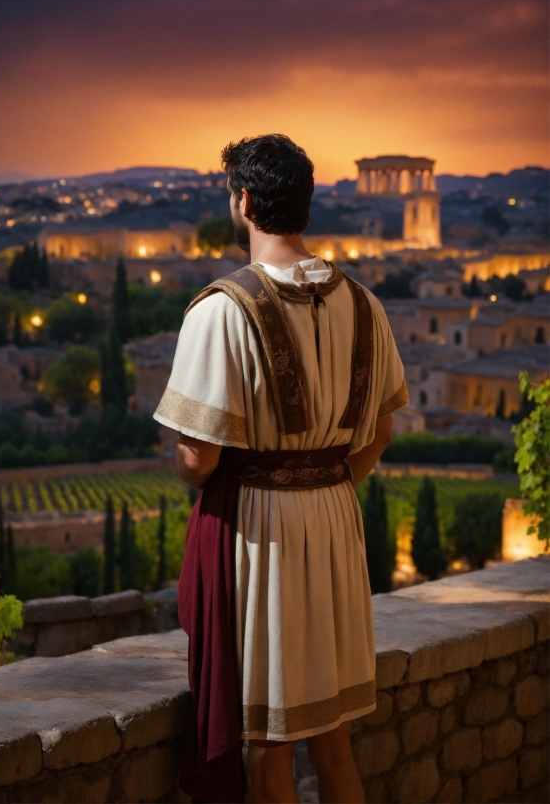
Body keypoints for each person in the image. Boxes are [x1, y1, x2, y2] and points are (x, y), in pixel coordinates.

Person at [154, 134, 408, 804]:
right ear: (306, 204)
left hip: (262, 535)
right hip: (335, 519)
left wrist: (182, 460)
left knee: (268, 747)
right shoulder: (366, 304)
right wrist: (326, 487)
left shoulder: (220, 310)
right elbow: (379, 431)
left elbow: (200, 457)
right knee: (332, 739)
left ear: (243, 202)